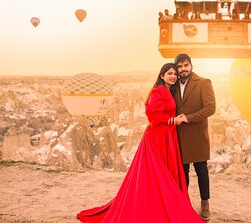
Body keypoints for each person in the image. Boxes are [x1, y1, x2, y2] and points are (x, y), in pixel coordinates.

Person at [77, 63, 205, 223]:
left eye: (175, 74)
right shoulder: (158, 92)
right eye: (169, 73)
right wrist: (174, 120)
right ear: (162, 75)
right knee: (157, 173)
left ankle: (159, 203)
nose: (173, 76)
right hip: (158, 137)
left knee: (161, 173)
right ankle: (156, 206)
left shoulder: (167, 90)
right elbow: (153, 118)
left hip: (168, 136)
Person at [173, 54, 216, 221]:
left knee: (201, 171)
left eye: (186, 65)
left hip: (197, 136)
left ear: (191, 65)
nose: (183, 69)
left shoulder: (204, 83)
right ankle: (183, 203)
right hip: (179, 137)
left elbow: (210, 108)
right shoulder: (174, 85)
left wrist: (188, 118)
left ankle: (205, 203)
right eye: (180, 66)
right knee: (182, 173)